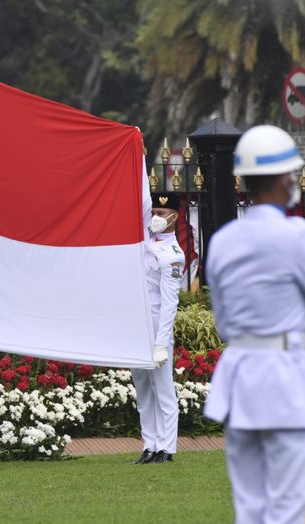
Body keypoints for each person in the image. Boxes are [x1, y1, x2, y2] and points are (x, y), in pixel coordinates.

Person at [204, 125, 305, 523]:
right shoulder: (298, 236)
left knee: (250, 511)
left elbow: (222, 322)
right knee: (293, 513)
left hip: (239, 382)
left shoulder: (223, 240)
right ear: (287, 178)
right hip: (285, 386)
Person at [130, 192, 183, 464]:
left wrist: (162, 342)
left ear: (175, 217)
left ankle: (167, 447)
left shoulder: (173, 255)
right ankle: (149, 445)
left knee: (162, 389)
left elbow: (169, 304)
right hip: (138, 326)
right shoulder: (145, 242)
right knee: (143, 388)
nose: (157, 218)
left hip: (156, 327)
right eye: (155, 213)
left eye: (163, 214)